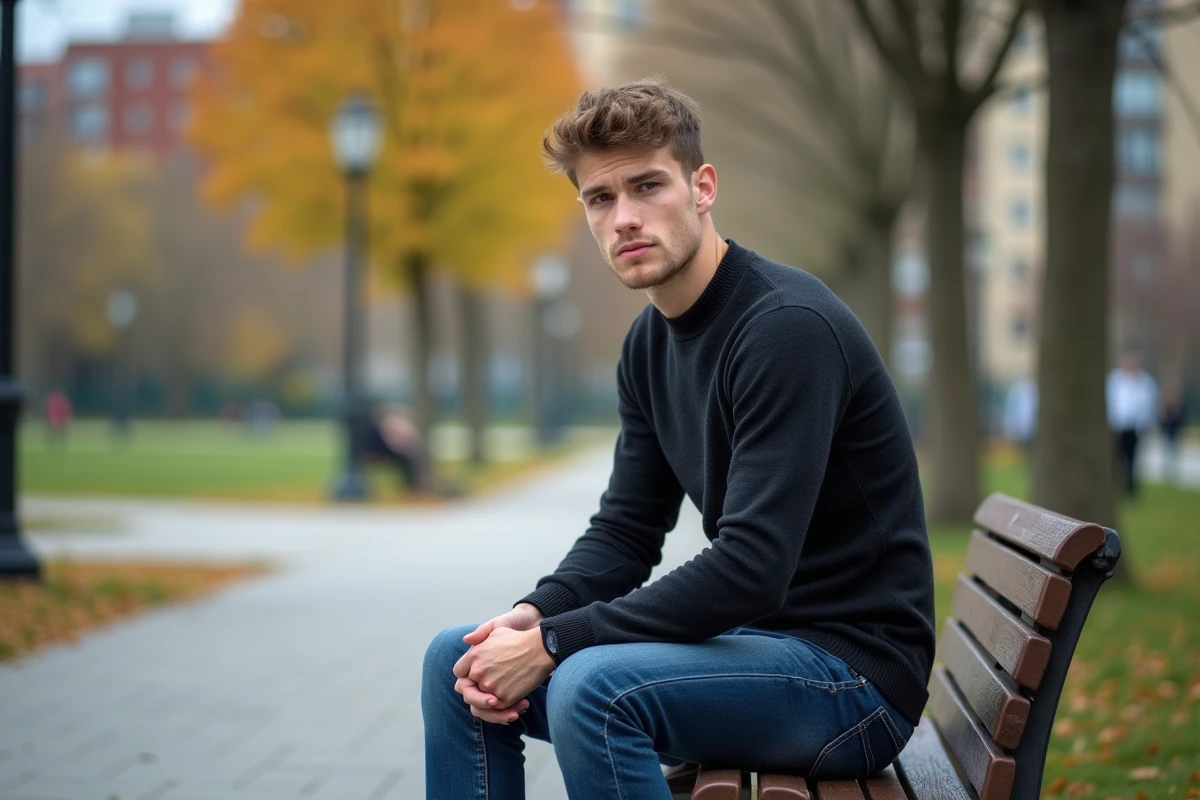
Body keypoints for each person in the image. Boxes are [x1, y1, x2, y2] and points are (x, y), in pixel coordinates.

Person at [421, 81, 935, 799]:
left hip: (853, 680)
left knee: (594, 689)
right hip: (755, 653)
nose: (625, 217)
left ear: (702, 187)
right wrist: (535, 615)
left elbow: (751, 567)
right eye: (600, 199)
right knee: (459, 661)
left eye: (647, 186)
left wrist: (557, 643)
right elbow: (626, 532)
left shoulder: (786, 330)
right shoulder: (648, 346)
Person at [1106, 354, 1159, 498]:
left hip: (1135, 428)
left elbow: (1149, 406)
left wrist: (1145, 424)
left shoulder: (1146, 383)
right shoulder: (1115, 380)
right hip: (1117, 427)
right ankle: (1114, 487)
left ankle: (1130, 489)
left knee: (1132, 460)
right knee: (1115, 458)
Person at [1003, 375, 1038, 463]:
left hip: (1031, 429)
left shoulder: (1033, 390)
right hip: (1023, 429)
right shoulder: (1017, 390)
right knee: (1024, 451)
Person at [1159, 382, 1188, 485]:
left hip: (1175, 431)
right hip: (1168, 430)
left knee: (1174, 450)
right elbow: (1162, 419)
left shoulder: (1179, 406)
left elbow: (1182, 419)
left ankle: (1173, 470)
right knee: (1167, 449)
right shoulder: (1166, 405)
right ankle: (1167, 470)